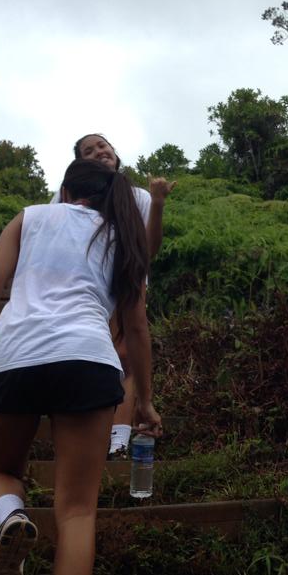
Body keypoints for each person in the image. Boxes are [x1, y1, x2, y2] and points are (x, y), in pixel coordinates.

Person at [0, 158, 162, 575]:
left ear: (64, 189)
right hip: (88, 361)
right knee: (75, 512)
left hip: (15, 354)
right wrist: (146, 402)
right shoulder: (125, 238)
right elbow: (135, 326)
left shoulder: (30, 217)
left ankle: (12, 515)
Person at [54, 133, 175, 459]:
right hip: (84, 283)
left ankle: (118, 441)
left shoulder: (138, 196)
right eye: (88, 150)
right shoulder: (67, 195)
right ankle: (84, 434)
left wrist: (159, 203)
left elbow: (148, 250)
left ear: (114, 151)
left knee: (125, 356)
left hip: (127, 281)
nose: (99, 151)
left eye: (102, 145)